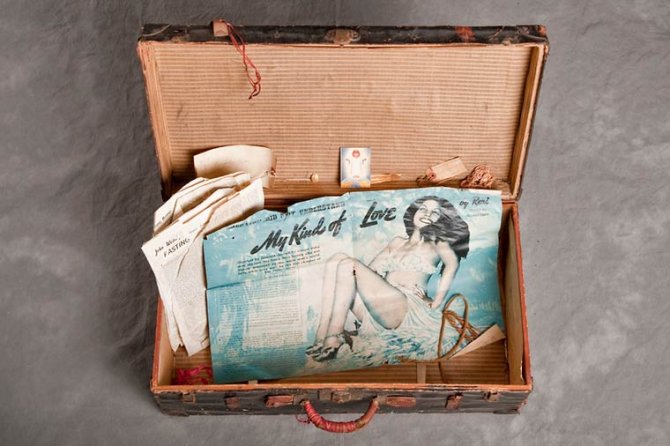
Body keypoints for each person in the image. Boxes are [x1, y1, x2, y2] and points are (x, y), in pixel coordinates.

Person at [306, 196, 470, 361]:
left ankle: (334, 336)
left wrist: (436, 302)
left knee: (349, 264)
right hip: (379, 309)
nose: (427, 214)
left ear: (441, 220)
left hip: (404, 309)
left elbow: (452, 264)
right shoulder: (397, 242)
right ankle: (321, 333)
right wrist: (379, 282)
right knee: (337, 259)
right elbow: (369, 270)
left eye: (435, 213)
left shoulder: (437, 243)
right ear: (414, 212)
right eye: (423, 209)